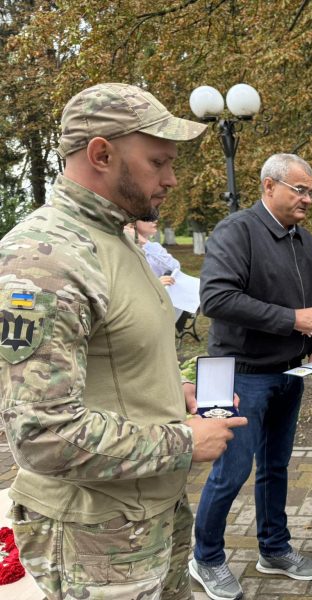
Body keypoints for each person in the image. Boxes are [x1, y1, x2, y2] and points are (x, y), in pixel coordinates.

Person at [0, 82, 248, 600]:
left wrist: (170, 391)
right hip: (97, 536)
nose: (172, 178)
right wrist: (184, 440)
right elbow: (42, 434)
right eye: (158, 162)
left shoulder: (115, 237)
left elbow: (115, 356)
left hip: (143, 514)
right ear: (101, 153)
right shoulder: (48, 256)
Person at [190, 153, 312, 599]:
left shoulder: (303, 240)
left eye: (311, 190)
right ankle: (205, 557)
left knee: (275, 467)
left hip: (289, 373)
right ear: (269, 187)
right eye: (299, 189)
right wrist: (292, 320)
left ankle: (273, 549)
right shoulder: (237, 231)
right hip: (236, 375)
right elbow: (215, 298)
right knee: (229, 473)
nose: (307, 198)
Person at [125, 219, 179, 286]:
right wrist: (154, 285)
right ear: (132, 225)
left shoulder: (154, 247)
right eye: (147, 218)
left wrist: (145, 242)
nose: (155, 221)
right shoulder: (124, 249)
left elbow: (175, 267)